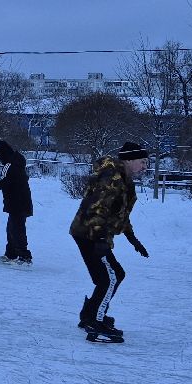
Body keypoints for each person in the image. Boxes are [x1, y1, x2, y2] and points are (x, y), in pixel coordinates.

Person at [69, 141, 151, 342]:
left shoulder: (124, 179)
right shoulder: (111, 177)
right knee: (110, 278)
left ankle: (89, 315)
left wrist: (133, 240)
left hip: (92, 233)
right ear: (130, 160)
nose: (145, 166)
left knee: (112, 275)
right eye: (142, 161)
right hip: (90, 233)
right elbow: (98, 208)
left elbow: (120, 214)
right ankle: (95, 323)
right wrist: (101, 238)